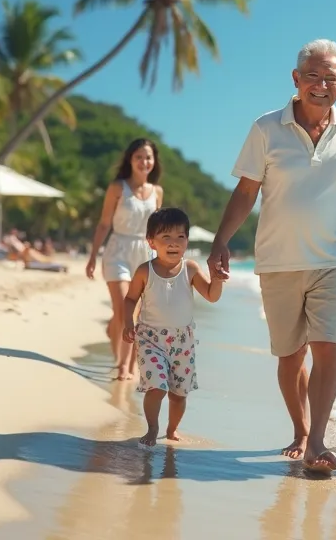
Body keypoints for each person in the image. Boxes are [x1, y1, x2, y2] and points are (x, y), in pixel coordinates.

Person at [208, 39, 336, 475]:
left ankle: (318, 443)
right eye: (312, 76)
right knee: (289, 357)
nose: (321, 85)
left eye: (330, 78)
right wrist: (220, 240)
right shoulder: (266, 128)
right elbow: (246, 190)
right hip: (277, 262)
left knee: (328, 348)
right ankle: (301, 429)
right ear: (296, 79)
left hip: (332, 262)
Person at [122, 208, 222, 448]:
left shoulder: (190, 269)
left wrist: (217, 278)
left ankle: (172, 428)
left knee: (179, 394)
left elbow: (211, 295)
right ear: (151, 242)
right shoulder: (145, 271)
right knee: (157, 386)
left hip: (182, 342)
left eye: (180, 237)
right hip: (150, 339)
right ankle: (153, 427)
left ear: (187, 241)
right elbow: (130, 299)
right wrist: (128, 321)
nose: (174, 243)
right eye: (166, 237)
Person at [86, 138, 164, 381]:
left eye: (148, 157)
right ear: (130, 159)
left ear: (154, 162)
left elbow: (157, 231)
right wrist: (92, 256)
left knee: (135, 315)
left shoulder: (157, 192)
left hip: (144, 255)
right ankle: (122, 367)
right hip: (118, 250)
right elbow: (103, 223)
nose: (144, 161)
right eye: (139, 156)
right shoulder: (118, 188)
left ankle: (129, 364)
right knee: (124, 311)